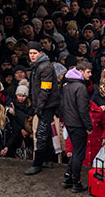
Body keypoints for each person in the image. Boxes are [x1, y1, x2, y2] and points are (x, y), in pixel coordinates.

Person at [25, 40, 61, 175]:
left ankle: (37, 163)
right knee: (45, 131)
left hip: (46, 104)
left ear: (40, 53)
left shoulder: (44, 67)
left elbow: (45, 89)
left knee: (41, 132)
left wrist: (39, 107)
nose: (32, 55)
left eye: (34, 53)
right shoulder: (39, 65)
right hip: (46, 104)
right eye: (30, 53)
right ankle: (48, 159)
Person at [60, 62, 93, 192]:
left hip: (69, 122)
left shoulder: (67, 85)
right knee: (79, 154)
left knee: (76, 152)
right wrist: (88, 126)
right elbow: (83, 110)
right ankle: (76, 183)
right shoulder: (80, 87)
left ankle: (67, 178)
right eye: (88, 72)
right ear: (80, 71)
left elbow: (63, 105)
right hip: (78, 124)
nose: (90, 75)